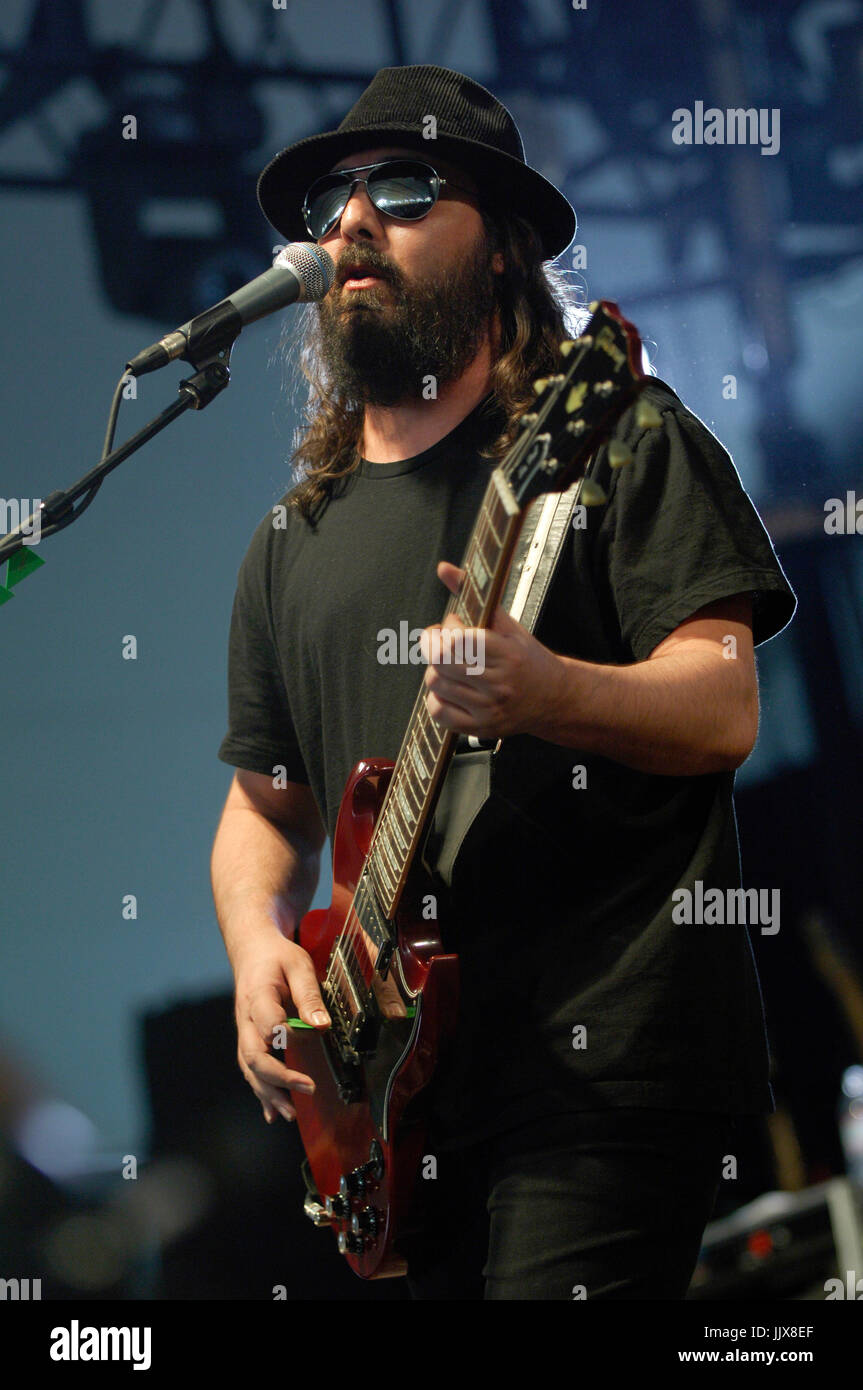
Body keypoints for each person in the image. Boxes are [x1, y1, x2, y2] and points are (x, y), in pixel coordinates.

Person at [211, 64, 796, 1300]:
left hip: (599, 1069)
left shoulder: (614, 433)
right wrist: (252, 938)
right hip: (400, 1104)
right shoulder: (289, 541)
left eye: (407, 189)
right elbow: (269, 808)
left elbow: (722, 703)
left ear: (504, 246)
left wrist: (547, 693)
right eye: (333, 198)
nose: (354, 223)